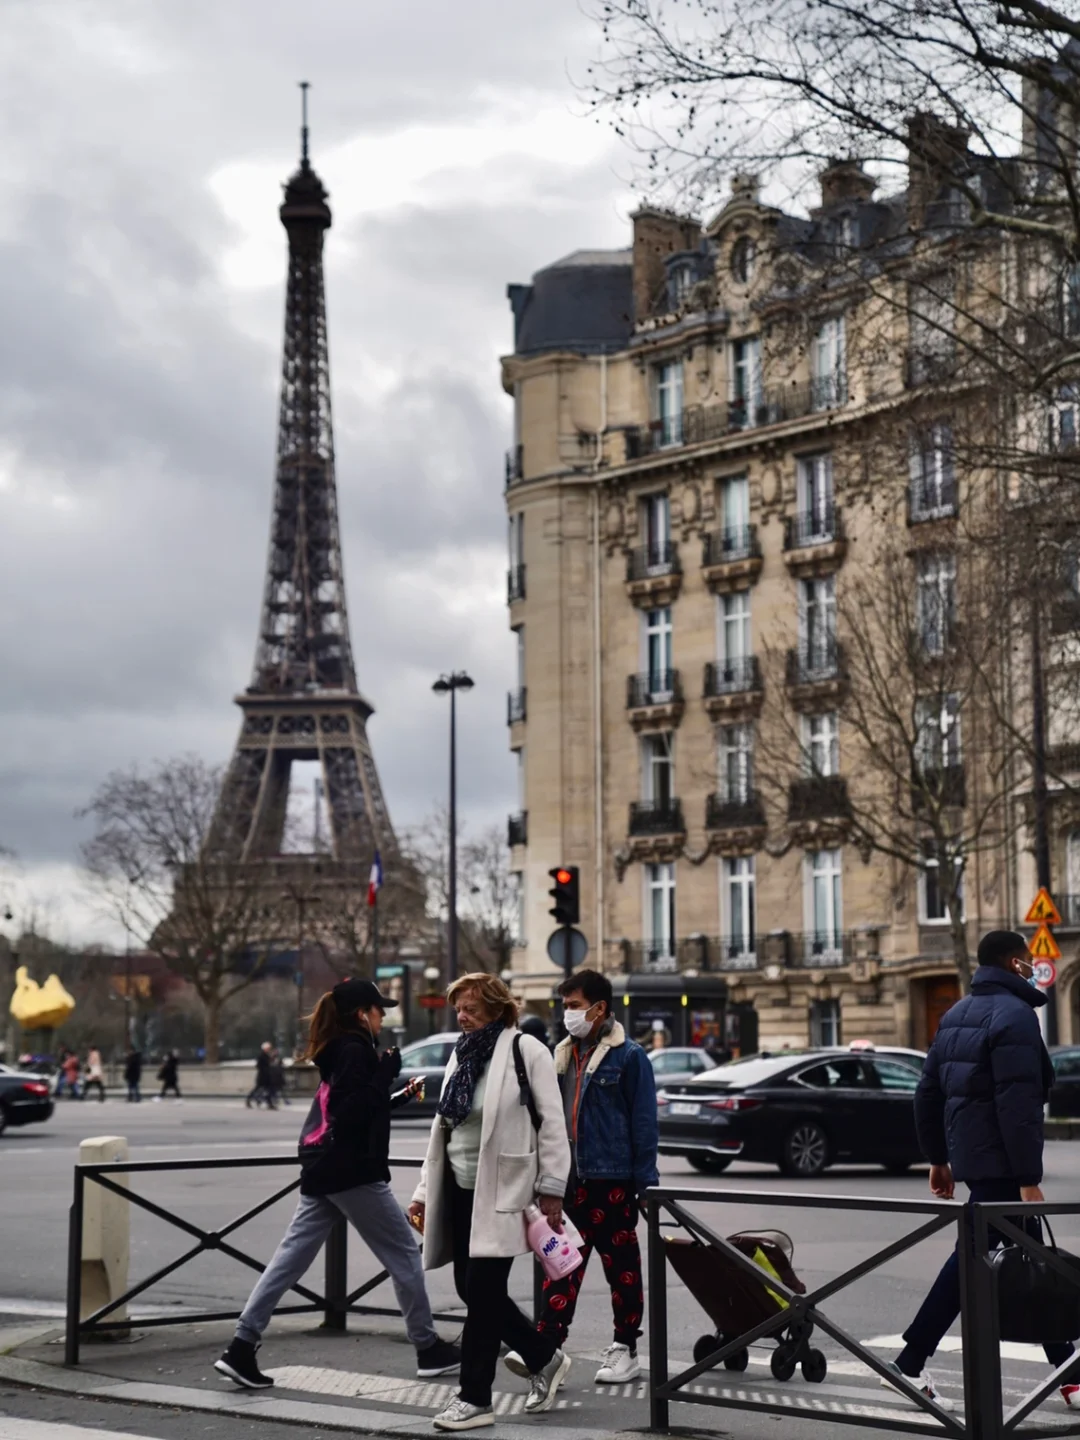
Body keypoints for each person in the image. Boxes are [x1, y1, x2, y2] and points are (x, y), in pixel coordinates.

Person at [214, 978, 459, 1391]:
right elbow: (349, 1112)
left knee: (288, 1260)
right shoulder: (354, 1050)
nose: (384, 1016)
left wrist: (396, 1095)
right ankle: (428, 1347)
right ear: (362, 1013)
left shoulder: (340, 1049)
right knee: (403, 1254)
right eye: (379, 1009)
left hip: (325, 1169)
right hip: (353, 1172)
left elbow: (352, 1107)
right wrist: (385, 1073)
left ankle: (241, 1346)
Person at [887, 930, 1080, 1412]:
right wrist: (1028, 1177)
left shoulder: (956, 1013)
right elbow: (1017, 1105)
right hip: (1003, 1166)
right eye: (1029, 959)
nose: (1034, 966)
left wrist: (938, 1158)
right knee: (981, 1261)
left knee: (1022, 1259)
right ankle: (910, 1363)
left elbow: (927, 1093)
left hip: (977, 1160)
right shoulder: (1015, 1016)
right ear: (1014, 963)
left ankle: (1068, 1372)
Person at [408, 973, 571, 1432]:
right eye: (458, 1007)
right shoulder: (461, 1053)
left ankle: (475, 1398)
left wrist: (553, 1187)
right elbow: (443, 1129)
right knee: (468, 1287)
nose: (462, 1015)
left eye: (472, 1008)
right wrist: (423, 1192)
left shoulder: (526, 1050)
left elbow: (552, 1124)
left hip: (504, 1190)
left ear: (498, 1009)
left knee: (480, 1296)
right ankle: (544, 1356)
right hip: (459, 1188)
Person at [505, 967, 657, 1388]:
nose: (567, 1013)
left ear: (599, 1008)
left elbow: (644, 1125)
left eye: (573, 1006)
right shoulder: (560, 1054)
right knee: (562, 1265)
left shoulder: (630, 1057)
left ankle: (625, 1349)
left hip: (613, 1181)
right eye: (565, 1005)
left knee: (621, 1269)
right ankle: (546, 1348)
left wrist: (645, 1185)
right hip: (568, 1182)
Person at [247, 1042, 275, 1109]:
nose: (269, 1049)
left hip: (266, 1076)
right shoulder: (261, 1056)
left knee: (268, 1090)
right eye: (268, 1048)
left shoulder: (267, 1055)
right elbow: (259, 1065)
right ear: (265, 1048)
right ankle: (249, 1100)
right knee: (258, 1089)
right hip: (262, 1076)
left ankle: (269, 1103)